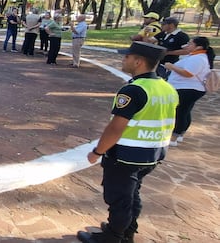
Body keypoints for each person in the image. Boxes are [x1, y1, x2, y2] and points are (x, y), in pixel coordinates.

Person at [76, 41, 178, 243]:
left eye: (127, 57)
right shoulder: (166, 88)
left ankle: (113, 236)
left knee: (119, 198)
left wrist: (97, 152)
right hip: (153, 153)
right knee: (132, 193)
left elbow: (116, 127)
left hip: (127, 154)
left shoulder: (133, 90)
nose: (124, 60)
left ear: (138, 61)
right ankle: (127, 229)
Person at [164, 37, 215, 146]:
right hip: (187, 87)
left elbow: (188, 73)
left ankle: (175, 136)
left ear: (199, 47)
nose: (187, 45)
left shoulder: (198, 59)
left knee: (181, 112)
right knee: (185, 111)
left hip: (188, 88)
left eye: (190, 44)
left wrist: (171, 66)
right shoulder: (195, 56)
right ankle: (180, 133)